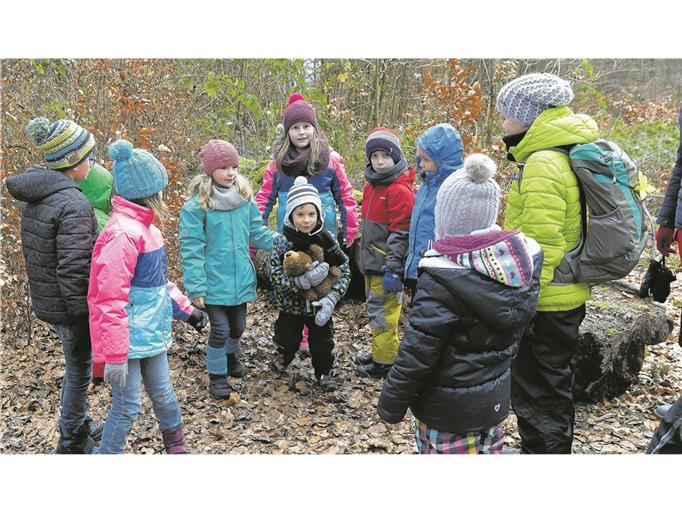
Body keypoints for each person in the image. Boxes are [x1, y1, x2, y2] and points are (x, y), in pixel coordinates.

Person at [377, 154, 543, 454]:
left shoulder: (442, 278)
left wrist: (391, 403)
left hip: (446, 411)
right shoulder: (515, 267)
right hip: (492, 403)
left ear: (445, 217)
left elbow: (417, 351)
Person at [496, 72, 599, 453]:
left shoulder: (542, 162)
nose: (503, 122)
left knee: (539, 386)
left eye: (507, 115)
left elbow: (543, 243)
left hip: (547, 297)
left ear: (528, 116)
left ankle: (545, 453)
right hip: (563, 293)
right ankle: (542, 448)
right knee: (551, 381)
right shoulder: (559, 152)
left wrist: (524, 295)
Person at [89, 139, 208, 454]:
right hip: (126, 343)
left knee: (164, 395)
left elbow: (160, 285)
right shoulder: (122, 234)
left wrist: (187, 311)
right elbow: (110, 300)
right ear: (150, 193)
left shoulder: (148, 231)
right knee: (127, 405)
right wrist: (113, 356)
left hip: (151, 334)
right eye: (161, 190)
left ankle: (177, 447)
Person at [5, 116, 102, 454]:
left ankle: (77, 423)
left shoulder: (43, 196)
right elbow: (74, 267)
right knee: (79, 370)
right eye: (88, 156)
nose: (92, 162)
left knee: (76, 366)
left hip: (53, 303)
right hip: (71, 308)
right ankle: (73, 436)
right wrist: (84, 313)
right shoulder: (73, 204)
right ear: (71, 162)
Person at [255, 93, 359, 357]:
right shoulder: (278, 163)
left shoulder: (330, 159)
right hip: (289, 232)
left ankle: (317, 329)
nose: (301, 132)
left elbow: (345, 195)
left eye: (306, 127)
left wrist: (350, 230)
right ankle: (295, 336)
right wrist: (255, 235)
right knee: (296, 274)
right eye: (295, 128)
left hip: (322, 232)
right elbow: (263, 199)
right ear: (287, 131)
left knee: (320, 275)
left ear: (314, 128)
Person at [179, 139, 275, 399]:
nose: (231, 172)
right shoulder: (196, 207)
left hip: (240, 279)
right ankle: (217, 376)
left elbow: (257, 232)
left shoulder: (244, 199)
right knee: (220, 329)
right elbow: (191, 248)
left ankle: (231, 355)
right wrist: (196, 286)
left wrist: (281, 242)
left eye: (234, 166)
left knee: (238, 328)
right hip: (213, 281)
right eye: (224, 167)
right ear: (210, 170)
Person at [268, 177, 350, 391]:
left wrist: (333, 296)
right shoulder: (282, 241)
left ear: (319, 215)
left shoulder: (327, 239)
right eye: (300, 214)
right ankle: (283, 356)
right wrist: (297, 284)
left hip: (320, 305)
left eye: (311, 214)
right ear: (291, 215)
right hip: (290, 305)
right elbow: (273, 272)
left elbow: (344, 270)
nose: (306, 220)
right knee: (287, 337)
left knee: (322, 343)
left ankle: (324, 373)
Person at [355, 127, 415, 378]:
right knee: (376, 311)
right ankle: (382, 353)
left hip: (385, 267)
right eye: (375, 156)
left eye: (385, 156)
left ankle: (385, 363)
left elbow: (400, 234)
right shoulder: (372, 186)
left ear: (396, 157)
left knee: (384, 315)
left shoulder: (398, 190)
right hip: (371, 262)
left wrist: (393, 267)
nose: (380, 161)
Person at [404, 123, 464, 298]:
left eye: (427, 160)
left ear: (443, 161)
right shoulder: (426, 184)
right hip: (418, 265)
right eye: (420, 158)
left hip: (438, 271)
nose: (421, 164)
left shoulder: (453, 190)